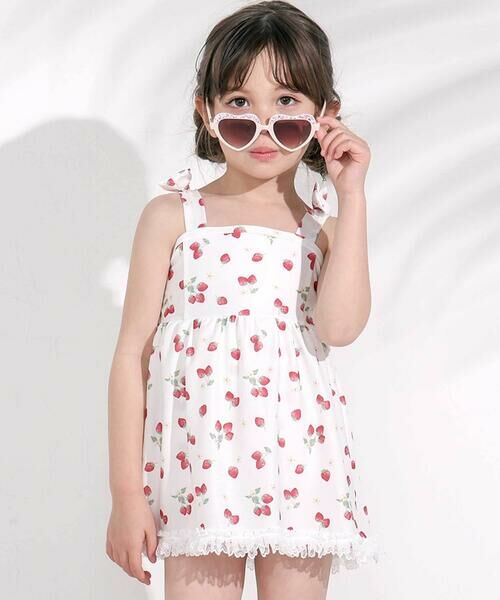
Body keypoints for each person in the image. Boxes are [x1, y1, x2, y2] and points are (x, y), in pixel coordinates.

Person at [106, 1, 379, 598]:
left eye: (287, 102)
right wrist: (127, 495)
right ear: (206, 112)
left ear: (324, 115)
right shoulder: (174, 219)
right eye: (238, 103)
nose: (263, 125)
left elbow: (339, 328)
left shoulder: (323, 232)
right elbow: (132, 357)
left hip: (303, 470)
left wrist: (352, 197)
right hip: (199, 469)